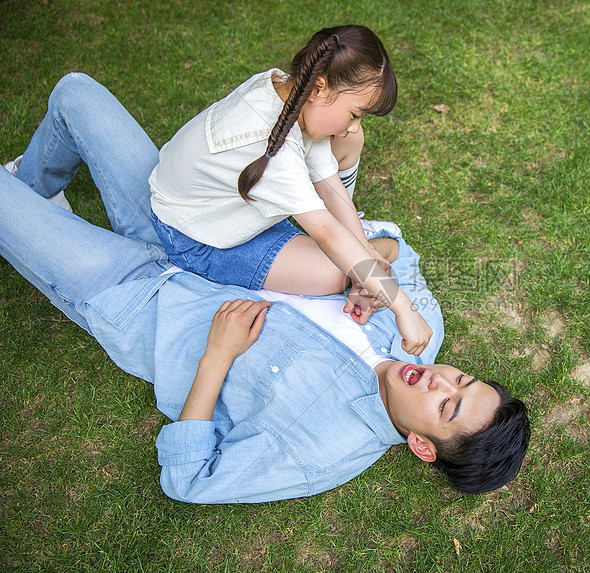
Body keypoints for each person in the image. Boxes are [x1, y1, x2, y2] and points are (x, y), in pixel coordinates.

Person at [0, 72, 530, 503]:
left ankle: (29, 218)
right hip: (195, 229)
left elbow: (189, 480)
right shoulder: (424, 327)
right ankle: (33, 195)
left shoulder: (323, 450)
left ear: (421, 446)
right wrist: (370, 270)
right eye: (461, 378)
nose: (439, 380)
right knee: (75, 93)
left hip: (135, 295)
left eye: (446, 407)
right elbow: (395, 246)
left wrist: (217, 356)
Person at [148, 25, 433, 357]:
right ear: (320, 89)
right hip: (195, 237)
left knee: (350, 251)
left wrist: (363, 264)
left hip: (220, 202)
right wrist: (403, 307)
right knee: (336, 266)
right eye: (355, 114)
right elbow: (327, 232)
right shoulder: (271, 151)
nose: (355, 125)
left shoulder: (287, 90)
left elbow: (330, 187)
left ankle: (360, 258)